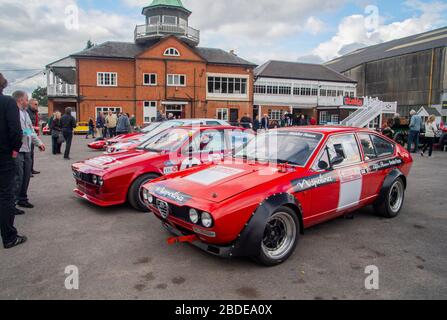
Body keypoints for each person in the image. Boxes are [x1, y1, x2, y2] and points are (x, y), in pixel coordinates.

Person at [0, 74, 27, 249]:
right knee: (5, 195)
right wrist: (15, 150)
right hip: (3, 155)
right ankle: (9, 237)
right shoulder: (7, 103)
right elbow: (15, 131)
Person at [12, 91, 45, 210]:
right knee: (18, 177)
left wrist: (39, 143)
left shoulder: (25, 113)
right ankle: (12, 204)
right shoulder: (14, 112)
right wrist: (29, 132)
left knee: (26, 175)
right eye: (26, 99)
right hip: (17, 149)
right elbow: (21, 131)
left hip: (27, 149)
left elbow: (29, 130)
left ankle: (22, 199)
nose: (28, 101)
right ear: (21, 100)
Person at [27, 98, 40, 175]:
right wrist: (34, 128)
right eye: (35, 104)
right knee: (28, 155)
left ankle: (31, 169)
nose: (36, 106)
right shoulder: (27, 112)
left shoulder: (34, 112)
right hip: (27, 135)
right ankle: (28, 171)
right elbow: (25, 127)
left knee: (31, 154)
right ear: (30, 104)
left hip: (32, 135)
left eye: (37, 104)